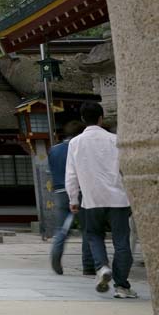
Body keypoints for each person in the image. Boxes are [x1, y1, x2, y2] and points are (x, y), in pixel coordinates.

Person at [65, 101, 138, 299]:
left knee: (93, 235)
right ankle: (122, 285)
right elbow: (127, 169)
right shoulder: (115, 140)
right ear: (101, 118)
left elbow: (71, 175)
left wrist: (73, 198)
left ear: (82, 119)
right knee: (122, 241)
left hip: (92, 199)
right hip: (118, 198)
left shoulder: (75, 143)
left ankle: (102, 267)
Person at [49, 120, 94, 275]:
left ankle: (56, 253)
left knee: (62, 228)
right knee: (87, 228)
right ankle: (88, 265)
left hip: (59, 191)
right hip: (79, 190)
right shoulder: (79, 147)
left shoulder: (53, 150)